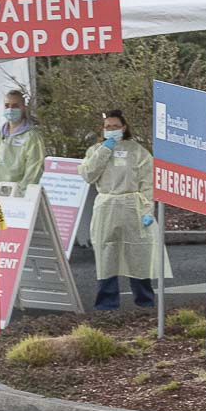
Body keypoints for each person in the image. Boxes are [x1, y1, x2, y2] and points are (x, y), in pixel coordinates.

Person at [79, 110, 158, 310]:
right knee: (106, 253)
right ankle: (107, 304)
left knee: (138, 254)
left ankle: (145, 301)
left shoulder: (138, 152)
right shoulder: (95, 151)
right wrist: (105, 149)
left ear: (124, 128)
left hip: (132, 206)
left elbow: (148, 183)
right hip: (106, 206)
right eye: (108, 127)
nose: (112, 130)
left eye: (115, 127)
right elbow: (88, 174)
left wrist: (148, 210)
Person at [0, 89, 47, 195]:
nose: (10, 109)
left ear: (23, 108)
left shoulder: (32, 137)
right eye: (7, 106)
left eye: (15, 106)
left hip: (19, 194)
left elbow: (34, 168)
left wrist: (21, 191)